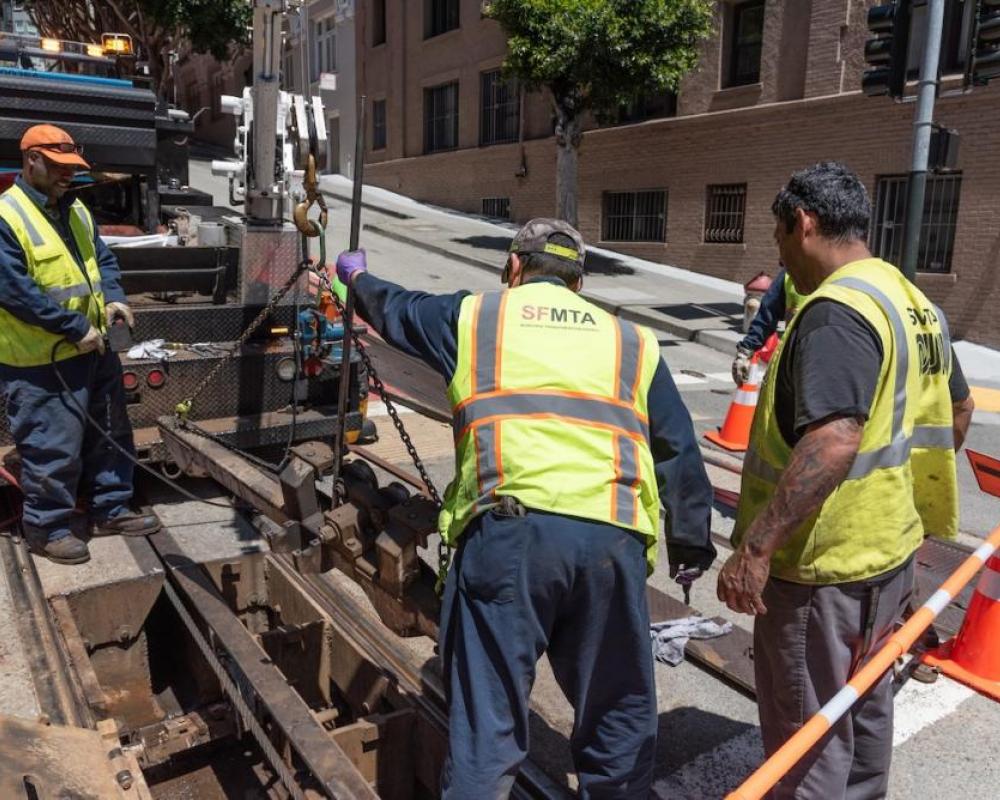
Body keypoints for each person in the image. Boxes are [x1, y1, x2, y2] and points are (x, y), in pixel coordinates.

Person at [334, 218, 716, 799]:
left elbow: (398, 309)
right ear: (578, 282)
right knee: (616, 721)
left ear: (514, 268)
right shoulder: (631, 343)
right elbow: (678, 450)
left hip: (509, 541)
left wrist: (357, 278)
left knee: (488, 734)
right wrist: (690, 544)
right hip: (609, 548)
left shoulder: (477, 317)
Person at [717, 162, 974, 799]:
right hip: (887, 557)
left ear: (803, 223)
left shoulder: (836, 312)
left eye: (780, 240)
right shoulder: (914, 304)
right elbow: (957, 411)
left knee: (807, 743)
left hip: (821, 571)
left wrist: (755, 548)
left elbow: (834, 438)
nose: (783, 262)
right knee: (864, 709)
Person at [0, 124, 160, 565]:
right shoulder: (8, 215)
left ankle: (110, 507)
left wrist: (114, 298)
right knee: (53, 444)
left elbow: (102, 260)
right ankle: (47, 528)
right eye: (58, 167)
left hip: (94, 348)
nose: (67, 176)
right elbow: (14, 290)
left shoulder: (76, 211)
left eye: (72, 167)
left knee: (110, 433)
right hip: (40, 360)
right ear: (31, 160)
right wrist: (73, 327)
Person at [732, 267, 807, 385]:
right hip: (792, 359)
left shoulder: (839, 274)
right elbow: (768, 313)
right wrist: (746, 350)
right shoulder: (790, 273)